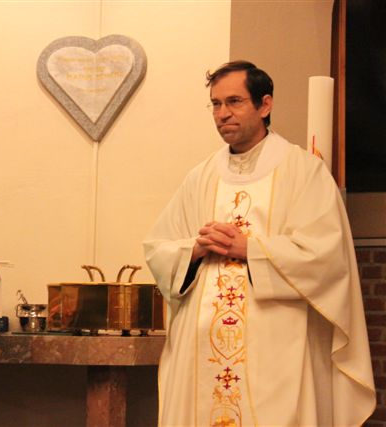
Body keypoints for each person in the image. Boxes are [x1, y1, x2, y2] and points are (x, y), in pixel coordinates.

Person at [143, 60, 375, 426]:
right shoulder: (200, 177)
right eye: (216, 104)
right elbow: (159, 248)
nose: (223, 113)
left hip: (275, 350)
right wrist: (196, 249)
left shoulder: (303, 171)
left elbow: (326, 256)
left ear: (264, 105)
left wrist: (250, 249)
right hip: (201, 353)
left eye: (234, 101)